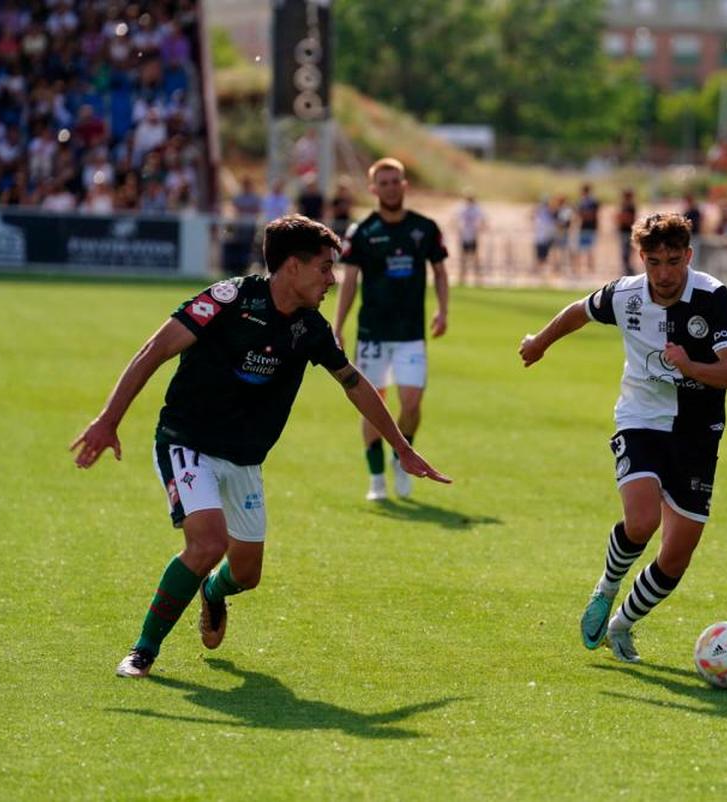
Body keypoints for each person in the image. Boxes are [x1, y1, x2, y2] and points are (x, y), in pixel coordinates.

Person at [70, 215, 450, 679]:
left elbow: (354, 384)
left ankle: (213, 593)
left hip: (245, 460)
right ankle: (143, 650)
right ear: (293, 266)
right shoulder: (227, 299)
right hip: (186, 441)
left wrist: (402, 448)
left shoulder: (311, 328)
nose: (332, 279)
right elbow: (155, 350)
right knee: (207, 542)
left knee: (245, 574)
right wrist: (109, 420)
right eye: (325, 268)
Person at [519, 212, 727, 663]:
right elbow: (579, 311)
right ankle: (606, 587)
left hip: (697, 430)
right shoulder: (625, 294)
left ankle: (622, 624)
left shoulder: (712, 296)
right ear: (640, 258)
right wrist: (541, 342)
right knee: (642, 520)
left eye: (672, 262)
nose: (663, 274)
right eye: (653, 262)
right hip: (640, 417)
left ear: (688, 256)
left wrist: (690, 367)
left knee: (675, 557)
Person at [335, 157, 450, 500]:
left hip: (411, 334)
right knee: (375, 404)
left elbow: (441, 272)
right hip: (372, 333)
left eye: (395, 180)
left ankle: (402, 460)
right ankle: (376, 479)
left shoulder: (425, 228)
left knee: (412, 404)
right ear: (373, 189)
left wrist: (443, 311)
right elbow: (349, 282)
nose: (390, 187)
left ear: (404, 184)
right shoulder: (362, 231)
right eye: (382, 182)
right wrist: (338, 325)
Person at [455, 193, 486, 285]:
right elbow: (455, 220)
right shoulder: (462, 208)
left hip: (473, 235)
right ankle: (462, 278)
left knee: (475, 258)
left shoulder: (476, 208)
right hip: (464, 235)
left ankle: (478, 279)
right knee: (463, 258)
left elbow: (483, 220)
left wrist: (480, 228)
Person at [574, 184, 600, 274]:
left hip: (591, 228)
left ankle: (590, 269)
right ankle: (580, 269)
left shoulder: (592, 202)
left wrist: (584, 215)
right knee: (581, 249)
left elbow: (592, 215)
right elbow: (579, 214)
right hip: (584, 227)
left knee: (590, 249)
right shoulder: (582, 202)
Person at [616, 188, 637, 277]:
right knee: (625, 252)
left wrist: (622, 218)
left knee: (627, 252)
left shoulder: (630, 206)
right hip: (623, 230)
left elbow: (629, 219)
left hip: (627, 231)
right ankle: (627, 268)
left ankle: (628, 269)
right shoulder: (624, 206)